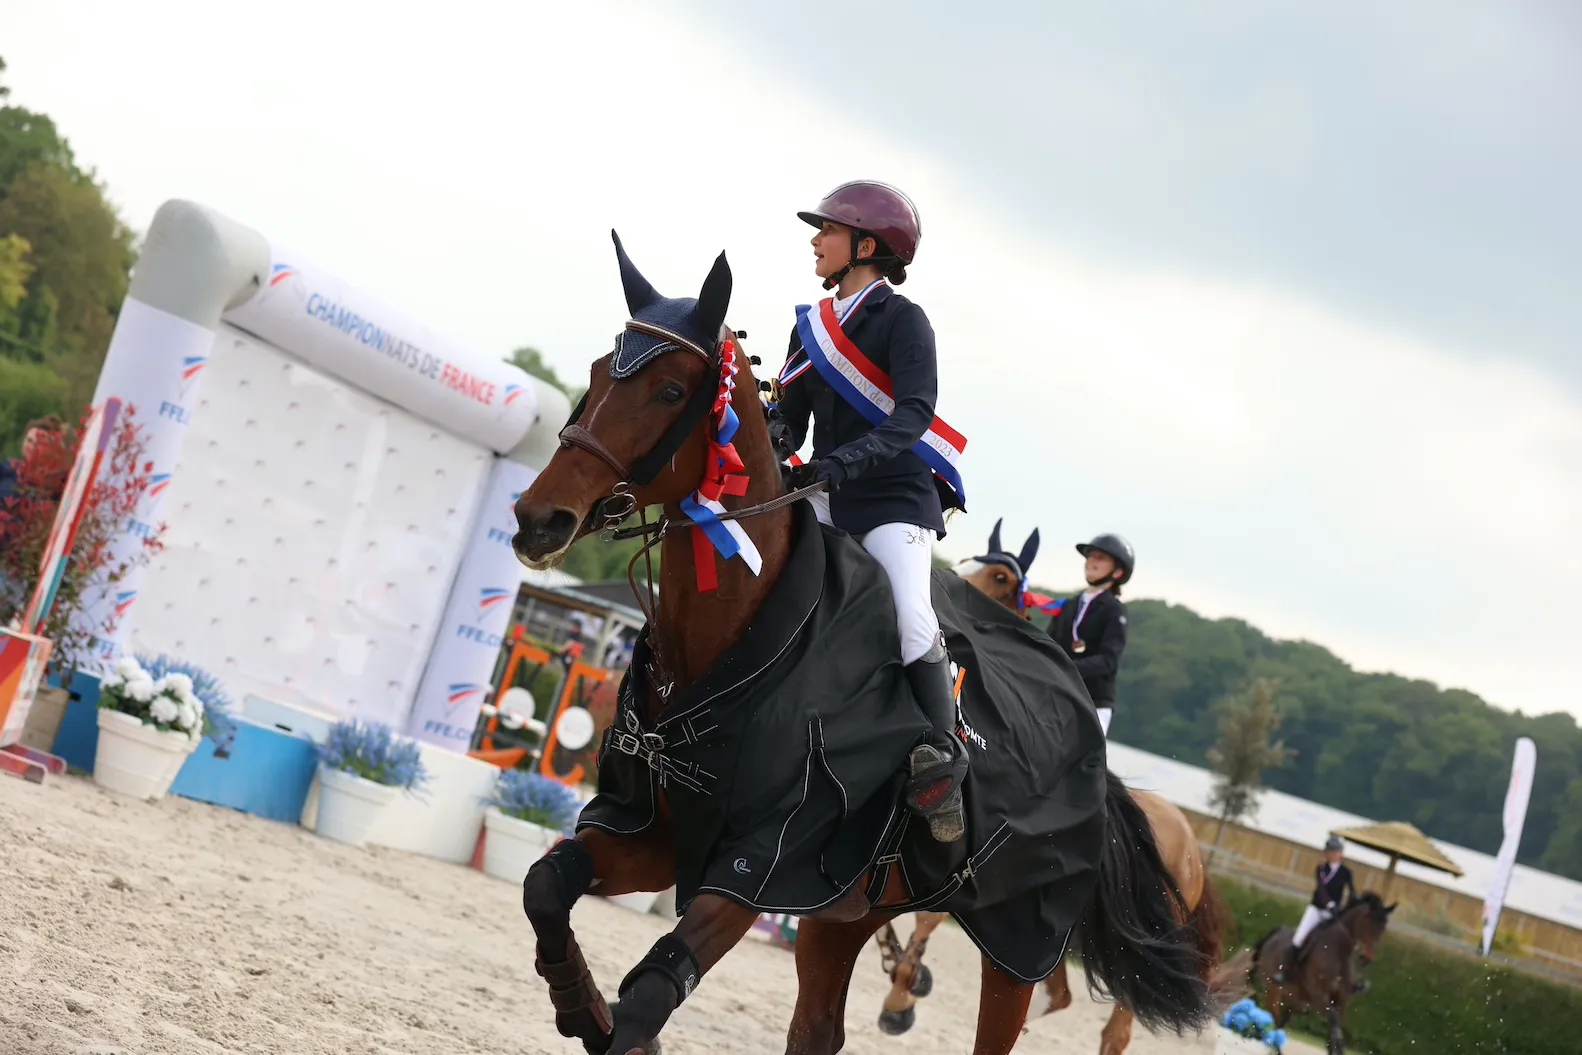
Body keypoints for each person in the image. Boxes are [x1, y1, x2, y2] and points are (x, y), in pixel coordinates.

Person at [774, 179, 970, 844]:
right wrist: (767, 437)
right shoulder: (809, 327)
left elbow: (913, 414)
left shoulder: (903, 320)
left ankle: (942, 758)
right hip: (828, 490)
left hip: (891, 498)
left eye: (827, 230)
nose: (815, 241)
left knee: (911, 616)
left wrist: (847, 460)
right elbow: (791, 424)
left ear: (865, 246)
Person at [1047, 533, 1133, 737]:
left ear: (1118, 571)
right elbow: (1047, 644)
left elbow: (1108, 660)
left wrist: (1068, 668)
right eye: (1090, 556)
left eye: (1100, 558)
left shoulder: (1115, 611)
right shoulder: (1069, 606)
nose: (1091, 562)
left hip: (1093, 702)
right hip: (1057, 694)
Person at [1273, 835, 1359, 984]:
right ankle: (1285, 971)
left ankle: (1352, 980)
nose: (1333, 854)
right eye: (1331, 852)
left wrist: (1352, 903)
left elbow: (1352, 891)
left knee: (1345, 942)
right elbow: (1321, 890)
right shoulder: (1321, 869)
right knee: (1299, 937)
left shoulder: (1346, 873)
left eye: (1336, 852)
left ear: (1340, 853)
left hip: (1334, 914)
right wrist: (1330, 904)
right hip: (1317, 909)